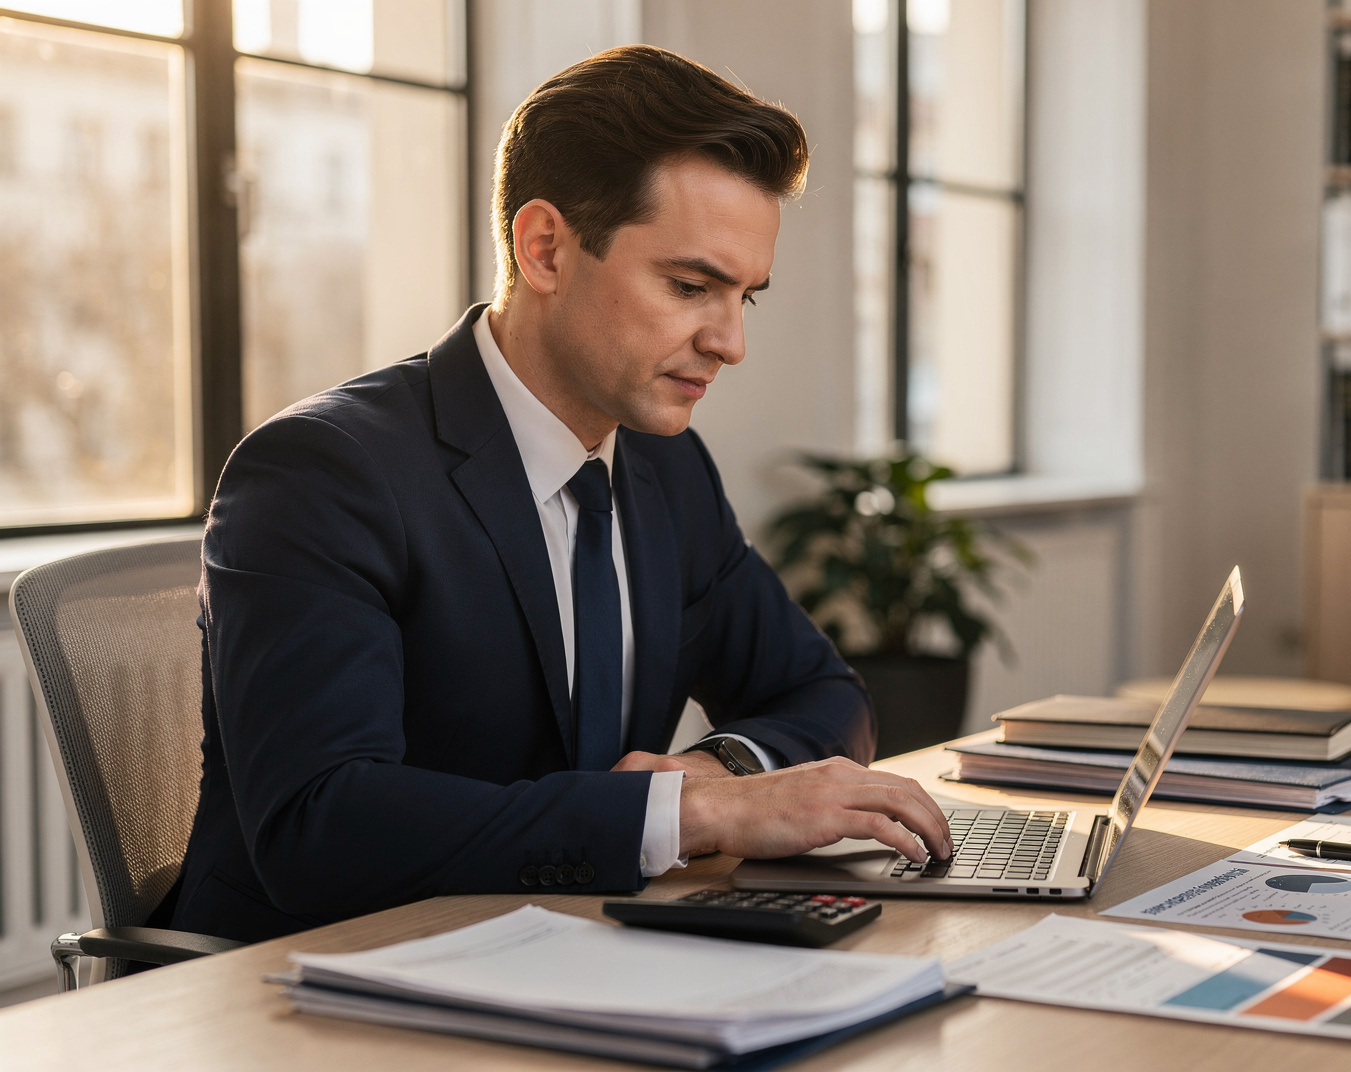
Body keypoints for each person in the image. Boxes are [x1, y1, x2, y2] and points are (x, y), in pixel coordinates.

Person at [167, 45, 952, 943]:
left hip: (575, 950)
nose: (729, 342)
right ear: (544, 249)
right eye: (690, 286)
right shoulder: (322, 471)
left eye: (745, 298)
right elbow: (321, 824)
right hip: (322, 973)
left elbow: (822, 692)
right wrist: (686, 816)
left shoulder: (665, 469)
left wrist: (720, 772)